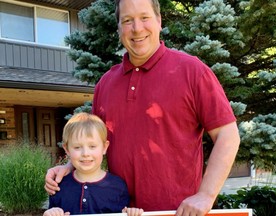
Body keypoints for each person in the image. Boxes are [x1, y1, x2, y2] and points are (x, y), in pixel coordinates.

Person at [45, 0, 241, 215]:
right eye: (127, 20)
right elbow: (92, 142)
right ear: (119, 28)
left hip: (176, 212)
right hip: (118, 211)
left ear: (159, 20)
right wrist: (69, 168)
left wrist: (206, 195)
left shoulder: (192, 71)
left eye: (144, 18)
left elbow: (227, 135)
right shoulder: (106, 83)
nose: (137, 28)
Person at [43, 112, 143, 216]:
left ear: (104, 147)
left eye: (92, 146)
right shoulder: (59, 186)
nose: (85, 153)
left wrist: (131, 214)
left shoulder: (118, 186)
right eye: (77, 147)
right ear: (67, 149)